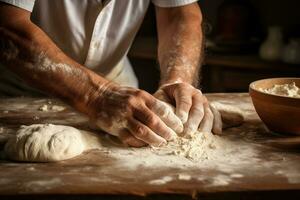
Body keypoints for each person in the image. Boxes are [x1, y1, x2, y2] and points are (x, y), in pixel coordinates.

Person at [0, 0, 222, 147]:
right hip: (17, 84)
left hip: (115, 80)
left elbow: (179, 12)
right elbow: (7, 24)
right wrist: (96, 95)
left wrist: (177, 78)